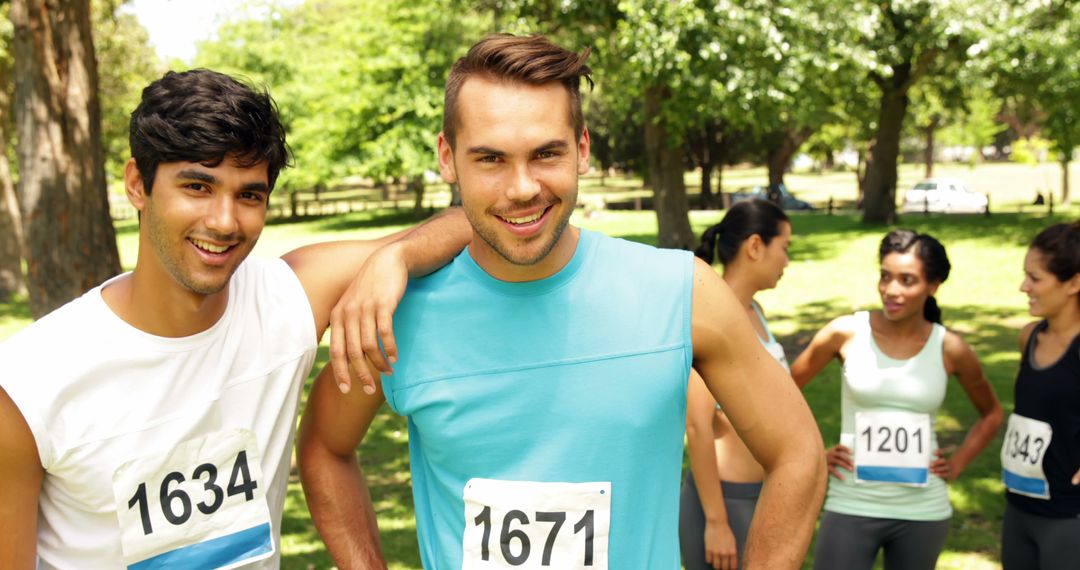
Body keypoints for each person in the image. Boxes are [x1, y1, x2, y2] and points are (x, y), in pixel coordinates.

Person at [298, 34, 824, 569]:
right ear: (447, 158)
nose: (523, 187)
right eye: (491, 159)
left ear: (582, 149)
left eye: (546, 153)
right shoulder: (400, 316)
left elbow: (798, 453)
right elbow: (324, 447)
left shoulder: (681, 292)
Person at [0, 69, 469, 569]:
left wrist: (393, 259)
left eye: (249, 195)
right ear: (138, 184)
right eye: (198, 186)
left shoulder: (283, 304)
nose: (224, 222)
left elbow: (469, 220)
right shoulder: (30, 383)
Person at [790, 229, 1003, 570]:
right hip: (852, 502)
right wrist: (813, 451)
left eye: (907, 280)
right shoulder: (845, 332)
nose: (891, 290)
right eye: (885, 276)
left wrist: (958, 462)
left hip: (923, 510)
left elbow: (991, 414)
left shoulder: (950, 347)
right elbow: (783, 394)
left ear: (933, 286)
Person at [681, 200, 792, 570]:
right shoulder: (709, 315)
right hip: (723, 502)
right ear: (756, 246)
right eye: (785, 248)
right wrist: (715, 523)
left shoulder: (755, 314)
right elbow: (697, 426)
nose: (787, 261)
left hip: (762, 493)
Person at [1000, 221, 1080, 569]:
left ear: (1074, 283)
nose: (1023, 286)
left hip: (1067, 516)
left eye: (1035, 278)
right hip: (1018, 506)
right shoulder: (1029, 336)